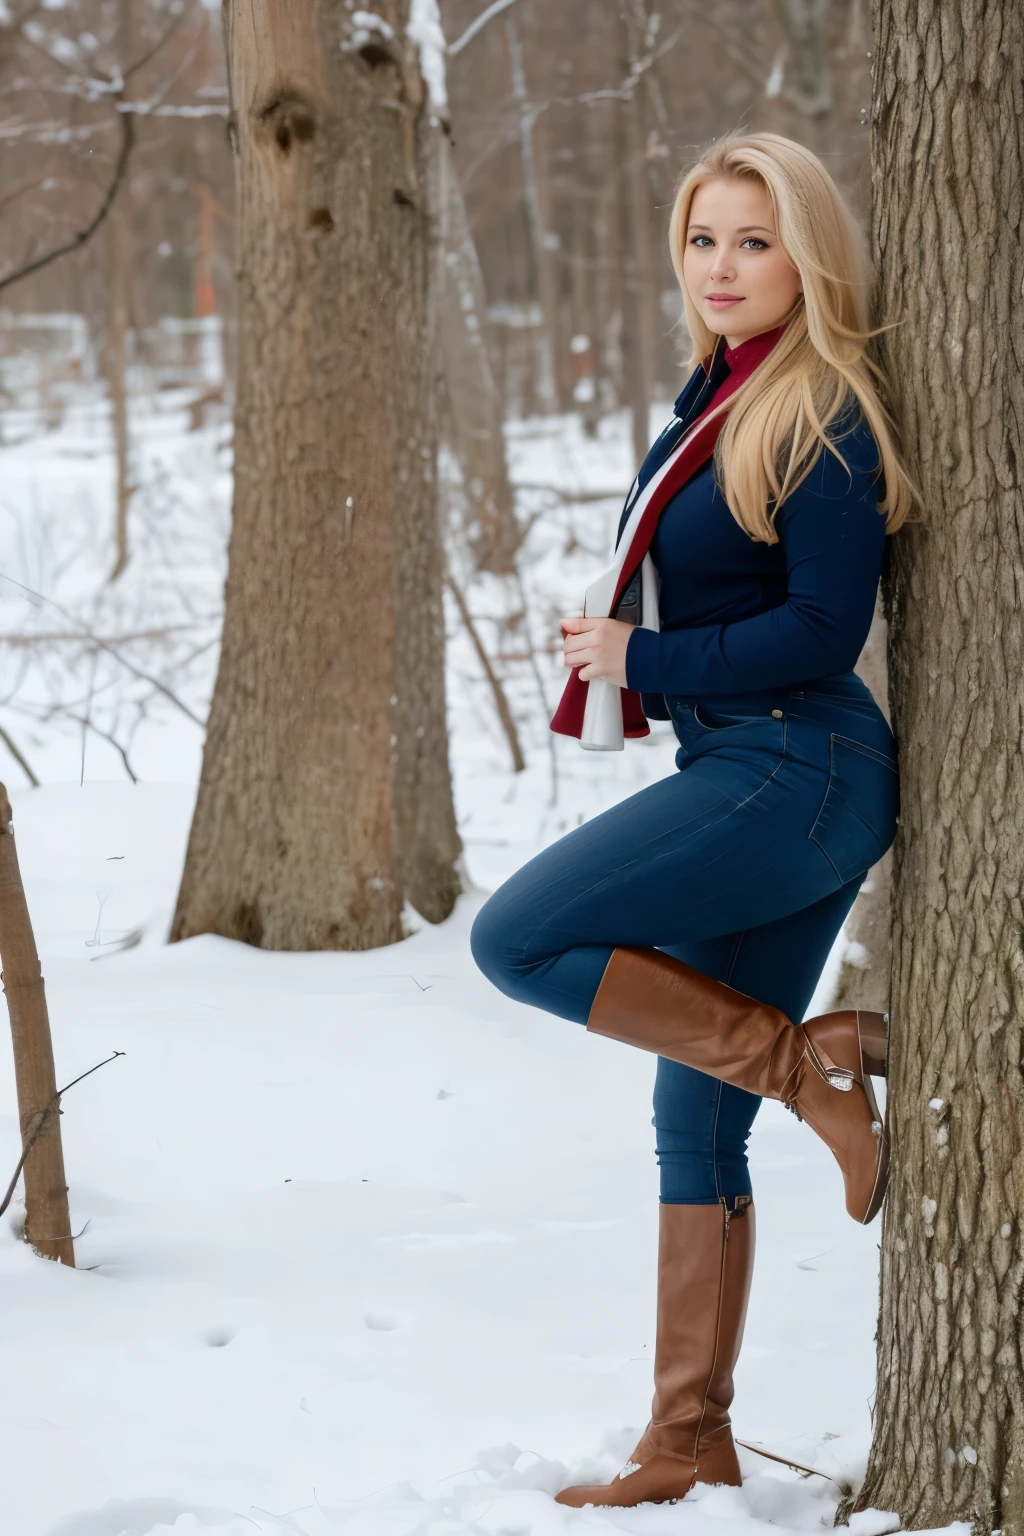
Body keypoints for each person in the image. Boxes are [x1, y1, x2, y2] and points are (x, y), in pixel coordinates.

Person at [469, 130, 923, 1510]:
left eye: (754, 240)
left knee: (516, 939)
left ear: (808, 258)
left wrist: (641, 659)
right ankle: (688, 1440)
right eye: (703, 239)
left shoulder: (824, 405)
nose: (721, 266)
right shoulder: (715, 395)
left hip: (800, 770)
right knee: (692, 1114)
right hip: (751, 769)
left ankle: (806, 1067)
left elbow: (821, 627)